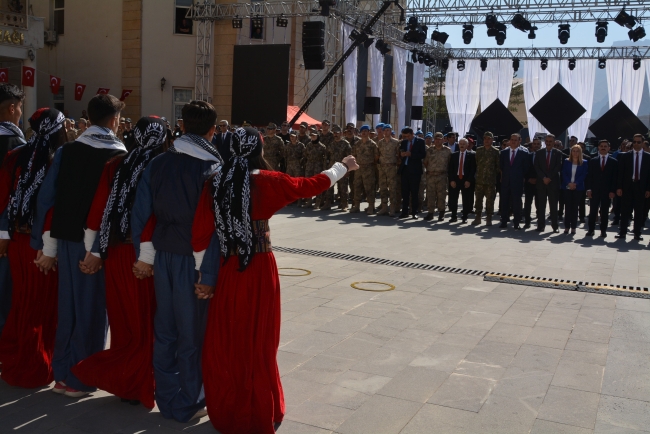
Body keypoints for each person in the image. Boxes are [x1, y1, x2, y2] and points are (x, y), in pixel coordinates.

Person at [192, 126, 359, 433]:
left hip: (229, 269)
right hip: (258, 268)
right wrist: (342, 167)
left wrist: (204, 275)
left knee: (229, 338)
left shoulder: (215, 182)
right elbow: (311, 185)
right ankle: (259, 405)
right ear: (259, 149)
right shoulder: (267, 182)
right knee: (259, 340)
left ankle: (229, 404)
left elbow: (200, 235)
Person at [30, 94, 128, 398]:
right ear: (114, 121)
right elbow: (112, 207)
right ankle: (80, 377)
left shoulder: (66, 151)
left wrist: (44, 245)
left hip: (66, 240)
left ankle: (62, 374)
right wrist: (98, 249)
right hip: (95, 246)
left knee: (68, 308)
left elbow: (47, 199)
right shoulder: (119, 155)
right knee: (92, 311)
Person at [130, 101, 222, 422]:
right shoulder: (212, 167)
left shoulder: (158, 163)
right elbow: (210, 226)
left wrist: (144, 257)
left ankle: (167, 397)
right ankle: (190, 398)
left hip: (162, 255)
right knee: (191, 332)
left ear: (181, 125)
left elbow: (141, 214)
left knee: (165, 328)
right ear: (212, 130)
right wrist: (207, 270)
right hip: (193, 259)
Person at [70, 117, 167, 409]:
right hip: (144, 254)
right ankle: (142, 382)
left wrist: (94, 251)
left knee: (124, 320)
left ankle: (127, 384)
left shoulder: (116, 164)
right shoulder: (161, 164)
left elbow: (99, 209)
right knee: (147, 320)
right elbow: (153, 213)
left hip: (115, 252)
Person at [0, 108, 65, 388]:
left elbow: (4, 198)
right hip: (42, 244)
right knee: (41, 308)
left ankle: (16, 359)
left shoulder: (15, 156)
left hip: (17, 241)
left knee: (22, 303)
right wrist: (49, 247)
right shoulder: (58, 159)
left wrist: (4, 233)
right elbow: (53, 206)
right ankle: (36, 365)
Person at [0, 83, 25, 337]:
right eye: (19, 108)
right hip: (4, 226)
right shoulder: (15, 143)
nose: (20, 113)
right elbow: (13, 193)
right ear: (11, 108)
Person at [616, 133, 650, 240]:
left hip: (641, 187)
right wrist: (619, 187)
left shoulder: (648, 157)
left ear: (642, 143)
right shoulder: (625, 156)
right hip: (627, 186)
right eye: (634, 142)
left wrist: (648, 189)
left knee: (639, 211)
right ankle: (622, 232)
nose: (636, 144)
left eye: (638, 142)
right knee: (625, 210)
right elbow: (620, 173)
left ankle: (637, 233)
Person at [586, 140, 618, 238]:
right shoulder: (593, 160)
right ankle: (591, 230)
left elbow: (615, 178)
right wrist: (589, 189)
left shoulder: (613, 162)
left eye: (605, 146)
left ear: (609, 148)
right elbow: (589, 176)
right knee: (592, 211)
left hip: (607, 191)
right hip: (594, 191)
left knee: (604, 212)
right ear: (598, 148)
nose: (603, 148)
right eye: (601, 146)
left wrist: (613, 191)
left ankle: (603, 231)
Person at [499, 133, 530, 230]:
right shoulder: (504, 152)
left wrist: (519, 177)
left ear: (519, 141)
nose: (513, 141)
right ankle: (504, 221)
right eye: (512, 139)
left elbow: (526, 168)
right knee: (504, 202)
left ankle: (516, 222)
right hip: (506, 182)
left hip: (517, 182)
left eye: (515, 140)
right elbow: (501, 166)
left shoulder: (524, 153)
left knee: (517, 203)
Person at [534, 134, 563, 233]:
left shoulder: (558, 153)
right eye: (547, 141)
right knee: (541, 206)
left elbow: (558, 166)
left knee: (554, 206)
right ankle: (541, 226)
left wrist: (549, 177)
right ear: (545, 142)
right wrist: (543, 177)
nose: (549, 143)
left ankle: (555, 226)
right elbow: (537, 167)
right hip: (541, 183)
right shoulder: (539, 153)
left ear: (554, 142)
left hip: (553, 183)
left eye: (551, 141)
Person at [472, 131, 500, 226]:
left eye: (489, 139)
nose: (486, 140)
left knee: (490, 201)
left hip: (490, 182)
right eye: (485, 138)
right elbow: (476, 164)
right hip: (479, 181)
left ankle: (489, 218)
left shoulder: (496, 152)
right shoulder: (479, 150)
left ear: (492, 140)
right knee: (478, 200)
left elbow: (498, 167)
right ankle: (478, 217)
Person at [398, 127, 426, 219]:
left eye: (408, 136)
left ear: (412, 134)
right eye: (405, 136)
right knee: (405, 192)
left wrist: (412, 155)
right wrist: (402, 155)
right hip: (405, 169)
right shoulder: (404, 142)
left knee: (414, 192)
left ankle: (414, 211)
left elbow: (423, 154)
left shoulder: (420, 141)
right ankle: (404, 211)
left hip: (415, 170)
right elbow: (400, 152)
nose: (407, 138)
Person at [351, 125, 379, 214]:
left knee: (369, 188)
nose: (364, 133)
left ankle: (371, 206)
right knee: (357, 187)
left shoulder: (372, 144)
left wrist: (370, 163)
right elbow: (354, 155)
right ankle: (357, 206)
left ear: (368, 133)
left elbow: (376, 157)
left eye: (366, 131)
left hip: (369, 168)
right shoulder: (357, 144)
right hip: (359, 168)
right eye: (362, 131)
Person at [561, 144, 588, 235]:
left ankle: (573, 227)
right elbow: (564, 173)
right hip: (567, 186)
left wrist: (575, 183)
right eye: (573, 151)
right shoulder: (566, 161)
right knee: (568, 207)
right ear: (571, 152)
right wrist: (569, 183)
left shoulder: (584, 162)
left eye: (577, 151)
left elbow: (583, 175)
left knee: (575, 208)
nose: (575, 153)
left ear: (580, 152)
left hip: (578, 187)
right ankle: (566, 227)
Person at [447, 138, 476, 223]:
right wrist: (451, 180)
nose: (462, 145)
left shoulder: (471, 155)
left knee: (466, 199)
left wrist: (469, 180)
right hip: (455, 179)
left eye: (464, 144)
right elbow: (450, 169)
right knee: (453, 199)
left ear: (467, 145)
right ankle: (453, 216)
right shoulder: (454, 155)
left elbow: (473, 169)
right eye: (460, 144)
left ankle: (464, 216)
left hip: (465, 179)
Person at [325, 125, 352, 211]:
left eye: (337, 133)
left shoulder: (346, 144)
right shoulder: (331, 144)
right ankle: (328, 203)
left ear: (341, 133)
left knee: (343, 187)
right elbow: (327, 156)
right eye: (334, 133)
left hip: (342, 168)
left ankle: (344, 204)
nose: (335, 135)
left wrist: (348, 170)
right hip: (332, 168)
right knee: (330, 186)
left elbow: (349, 158)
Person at [376, 124, 400, 216]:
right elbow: (378, 154)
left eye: (388, 130)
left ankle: (392, 208)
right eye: (384, 130)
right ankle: (384, 207)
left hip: (392, 168)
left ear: (391, 131)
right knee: (383, 188)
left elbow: (398, 155)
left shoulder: (396, 142)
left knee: (392, 188)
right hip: (382, 168)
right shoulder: (380, 142)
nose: (386, 132)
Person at [303, 128, 327, 208]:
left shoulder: (322, 147)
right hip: (309, 166)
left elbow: (325, 159)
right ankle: (309, 201)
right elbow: (305, 155)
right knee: (308, 183)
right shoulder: (308, 145)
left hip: (318, 166)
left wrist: (323, 168)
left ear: (317, 136)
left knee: (317, 184)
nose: (312, 137)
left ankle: (318, 202)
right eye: (311, 136)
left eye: (314, 135)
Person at [523, 138, 541, 229]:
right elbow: (524, 169)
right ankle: (527, 221)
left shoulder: (543, 157)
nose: (536, 145)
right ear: (532, 145)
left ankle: (540, 222)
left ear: (541, 145)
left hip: (540, 184)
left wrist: (538, 179)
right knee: (527, 203)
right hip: (529, 183)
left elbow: (544, 170)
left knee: (539, 204)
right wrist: (529, 179)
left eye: (538, 144)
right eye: (535, 144)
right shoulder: (528, 156)